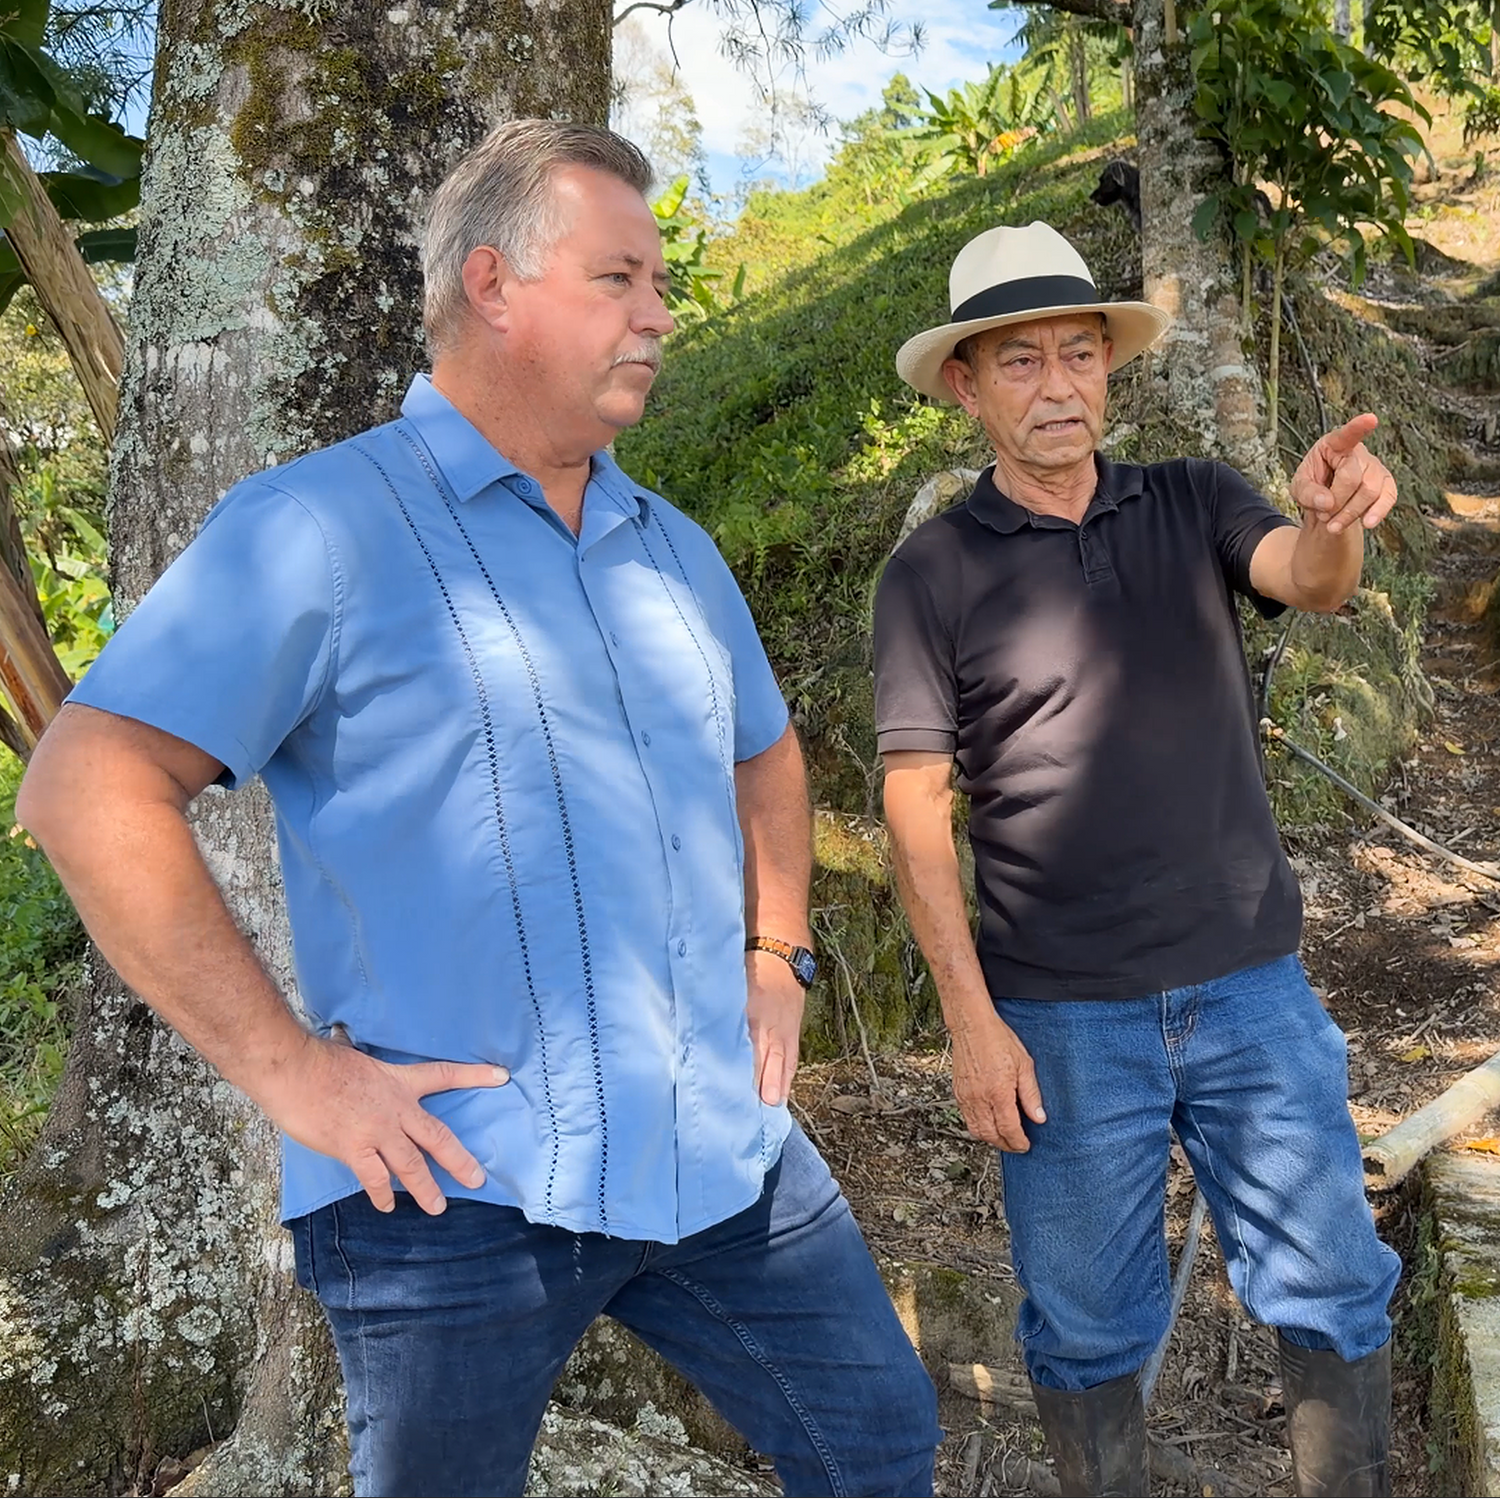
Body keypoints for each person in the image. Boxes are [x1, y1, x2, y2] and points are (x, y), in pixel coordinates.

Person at [18, 120, 940, 1499]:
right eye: (620, 277)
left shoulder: (672, 548)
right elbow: (85, 782)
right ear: (494, 284)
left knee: (881, 1443)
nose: (660, 314)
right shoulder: (318, 527)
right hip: (452, 1184)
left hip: (717, 1145)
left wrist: (779, 949)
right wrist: (292, 1072)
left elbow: (768, 755)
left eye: (662, 283)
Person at [874, 220, 1401, 1499]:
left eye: (1078, 354)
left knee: (1332, 1280)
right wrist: (970, 1020)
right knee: (1087, 1324)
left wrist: (1334, 520)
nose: (1057, 386)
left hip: (1250, 988)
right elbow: (913, 800)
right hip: (1057, 1016)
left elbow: (1307, 577)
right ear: (966, 382)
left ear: (1110, 365)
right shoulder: (931, 573)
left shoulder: (1195, 497)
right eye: (1019, 363)